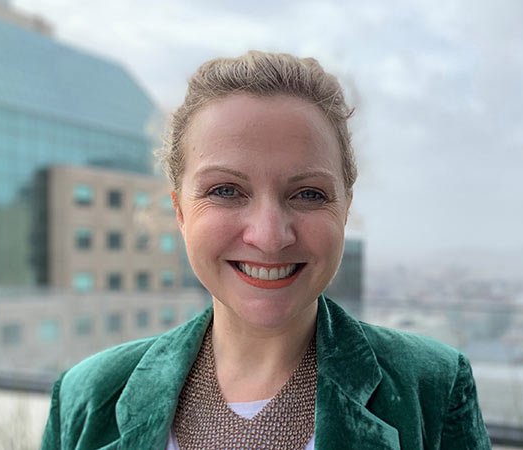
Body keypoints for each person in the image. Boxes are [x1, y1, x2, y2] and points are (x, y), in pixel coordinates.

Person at [41, 51, 490, 450]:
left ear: (345, 208)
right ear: (180, 212)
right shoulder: (89, 396)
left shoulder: (432, 388)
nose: (270, 236)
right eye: (226, 190)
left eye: (309, 194)